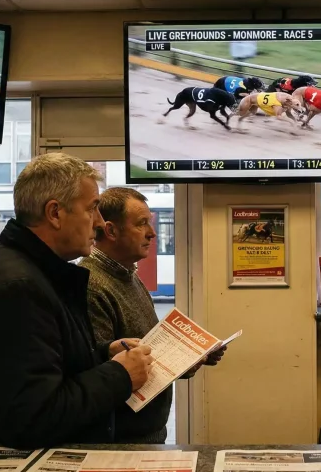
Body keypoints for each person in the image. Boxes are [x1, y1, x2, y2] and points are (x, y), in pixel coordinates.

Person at [0, 153, 154, 448]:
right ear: (55, 213)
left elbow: (50, 365)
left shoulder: (36, 270)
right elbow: (35, 418)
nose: (99, 222)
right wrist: (119, 375)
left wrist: (104, 353)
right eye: (92, 208)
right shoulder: (18, 287)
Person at [81, 187, 226, 443]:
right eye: (142, 224)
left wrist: (188, 357)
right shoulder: (91, 286)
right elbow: (100, 372)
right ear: (112, 231)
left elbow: (145, 351)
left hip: (148, 434)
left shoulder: (129, 276)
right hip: (121, 441)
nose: (152, 233)